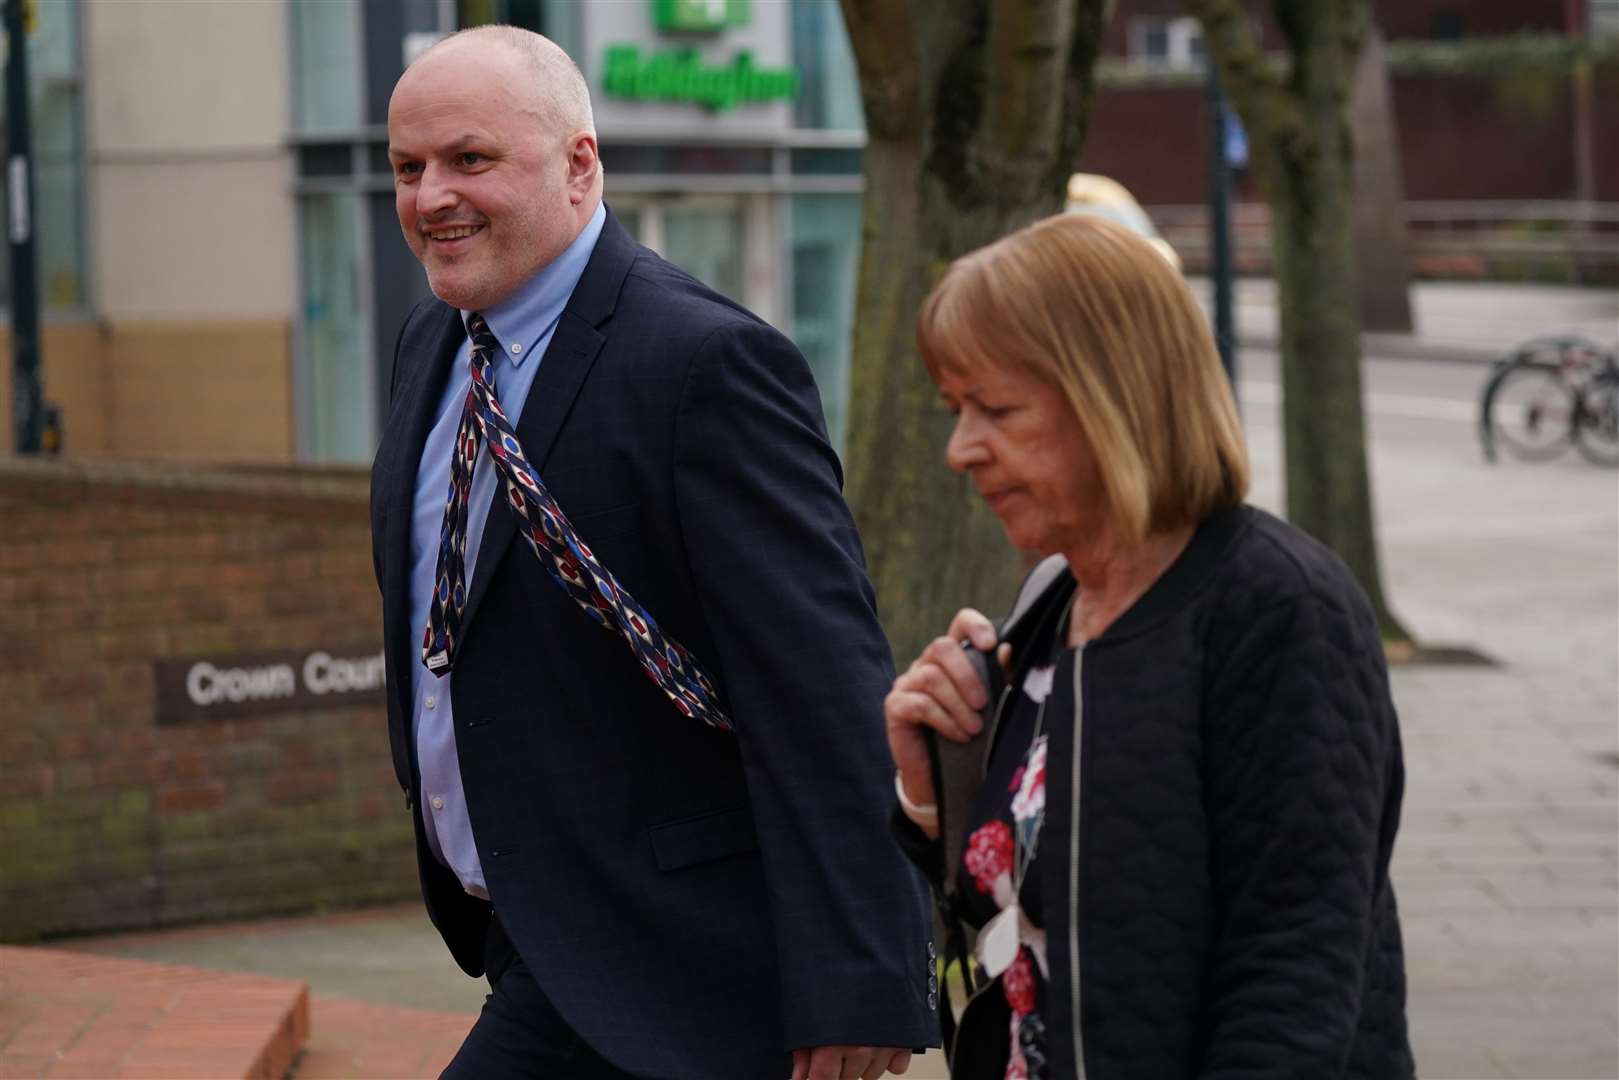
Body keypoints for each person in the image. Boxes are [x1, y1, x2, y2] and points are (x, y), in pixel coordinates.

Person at [368, 26, 933, 1080]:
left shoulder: (702, 364)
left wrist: (862, 977)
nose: (429, 195)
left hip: (694, 962)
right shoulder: (431, 343)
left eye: (469, 160)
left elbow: (817, 684)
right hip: (537, 934)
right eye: (408, 168)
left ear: (580, 164)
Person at [884, 212, 1414, 1079]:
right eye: (953, 408)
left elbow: (1293, 974)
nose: (959, 450)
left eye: (997, 408)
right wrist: (934, 794)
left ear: (1115, 397)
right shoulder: (1051, 605)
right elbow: (1011, 927)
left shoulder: (1279, 608)